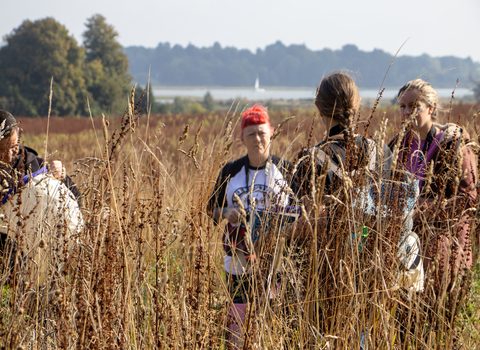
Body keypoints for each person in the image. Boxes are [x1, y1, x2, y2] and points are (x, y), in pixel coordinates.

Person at [208, 104, 296, 348]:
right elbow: (210, 209)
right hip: (236, 261)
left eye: (261, 132)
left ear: (271, 132)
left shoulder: (287, 169)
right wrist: (226, 212)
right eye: (251, 134)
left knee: (268, 320)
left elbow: (300, 213)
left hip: (275, 260)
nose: (257, 138)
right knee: (237, 323)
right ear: (242, 138)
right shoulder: (230, 170)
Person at [388, 79, 477, 287]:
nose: (406, 112)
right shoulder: (397, 145)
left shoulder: (454, 145)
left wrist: (419, 209)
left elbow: (468, 200)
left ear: (431, 108)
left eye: (414, 106)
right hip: (402, 248)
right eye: (402, 106)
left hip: (443, 251)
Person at [0, 110, 83, 283]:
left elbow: (76, 199)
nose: (8, 156)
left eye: (13, 147)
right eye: (1, 150)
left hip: (37, 264)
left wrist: (61, 176)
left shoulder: (29, 163)